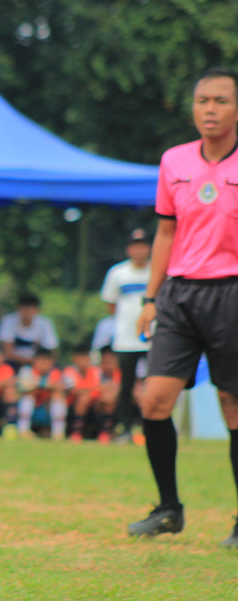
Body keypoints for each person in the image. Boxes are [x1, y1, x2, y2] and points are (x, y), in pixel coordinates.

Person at [128, 68, 238, 548]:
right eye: (201, 100)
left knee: (233, 406)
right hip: (178, 294)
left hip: (232, 293)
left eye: (220, 100)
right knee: (154, 401)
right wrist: (150, 298)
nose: (209, 109)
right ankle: (169, 508)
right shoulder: (173, 161)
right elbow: (166, 232)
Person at [99, 228, 152, 444]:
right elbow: (110, 304)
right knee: (126, 385)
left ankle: (153, 428)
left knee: (154, 385)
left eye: (143, 245)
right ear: (129, 249)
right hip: (126, 340)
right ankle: (125, 428)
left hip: (153, 337)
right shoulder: (118, 273)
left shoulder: (157, 271)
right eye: (135, 245)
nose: (139, 250)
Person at [63, 344, 115, 443]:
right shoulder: (69, 372)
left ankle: (105, 432)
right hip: (73, 406)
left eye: (85, 358)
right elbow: (73, 391)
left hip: (94, 404)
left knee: (108, 398)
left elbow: (106, 386)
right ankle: (76, 432)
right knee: (84, 398)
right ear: (75, 359)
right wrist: (94, 389)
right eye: (81, 358)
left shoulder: (96, 371)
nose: (83, 361)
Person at [0, 293, 59, 371]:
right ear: (18, 309)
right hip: (14, 361)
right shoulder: (8, 321)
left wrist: (40, 363)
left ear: (37, 310)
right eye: (24, 309)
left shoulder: (45, 323)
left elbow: (51, 350)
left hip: (39, 363)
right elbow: (8, 352)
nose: (27, 313)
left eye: (30, 309)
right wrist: (27, 361)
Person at [15, 348, 66, 439]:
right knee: (30, 394)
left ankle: (58, 433)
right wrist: (46, 384)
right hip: (29, 410)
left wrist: (38, 382)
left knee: (57, 395)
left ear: (51, 362)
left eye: (46, 360)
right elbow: (25, 386)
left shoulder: (55, 372)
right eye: (41, 360)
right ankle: (23, 430)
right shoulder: (26, 370)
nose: (43, 364)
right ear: (34, 361)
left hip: (46, 410)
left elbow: (59, 386)